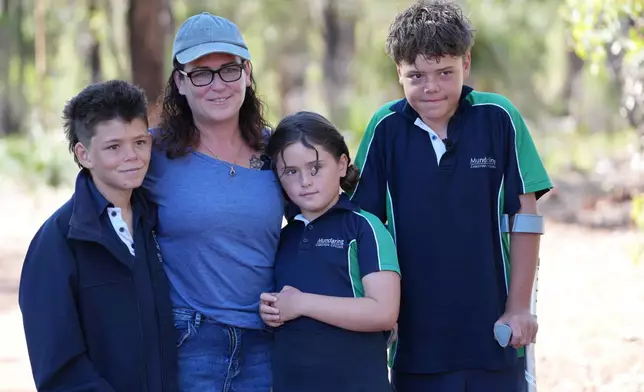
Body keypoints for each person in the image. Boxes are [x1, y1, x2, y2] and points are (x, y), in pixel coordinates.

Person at [349, 1, 553, 391]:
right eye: (417, 75)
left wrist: (519, 307)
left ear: (466, 64)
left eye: (445, 72)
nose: (432, 87)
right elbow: (363, 229)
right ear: (399, 72)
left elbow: (525, 216)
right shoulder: (385, 129)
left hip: (495, 335)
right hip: (415, 344)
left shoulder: (499, 117)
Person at [143, 12, 284, 391]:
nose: (217, 85)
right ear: (180, 82)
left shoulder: (280, 150)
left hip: (268, 340)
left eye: (229, 70)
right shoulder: (152, 152)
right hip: (190, 340)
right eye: (201, 73)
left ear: (248, 73)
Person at [19, 80, 177, 391]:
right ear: (84, 154)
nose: (132, 156)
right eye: (114, 147)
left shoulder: (154, 223)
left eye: (140, 142)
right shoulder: (57, 242)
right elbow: (58, 367)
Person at [259, 111, 401, 392]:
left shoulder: (364, 227)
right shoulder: (282, 236)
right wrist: (272, 310)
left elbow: (384, 312)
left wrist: (301, 303)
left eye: (315, 167)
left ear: (342, 164)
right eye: (291, 172)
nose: (305, 181)